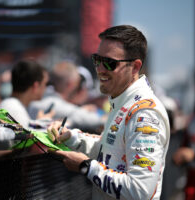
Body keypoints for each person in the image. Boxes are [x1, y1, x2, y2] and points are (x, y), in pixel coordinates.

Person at [47, 25, 170, 200]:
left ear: (135, 67)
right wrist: (72, 138)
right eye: (97, 59)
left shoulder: (144, 114)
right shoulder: (123, 101)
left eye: (109, 63)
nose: (100, 69)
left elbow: (140, 192)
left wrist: (86, 166)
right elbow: (110, 150)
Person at [29, 61, 105, 133]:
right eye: (77, 84)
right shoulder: (56, 105)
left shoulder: (35, 100)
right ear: (70, 84)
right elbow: (99, 121)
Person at [0, 60, 50, 129]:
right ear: (35, 86)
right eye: (45, 84)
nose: (46, 88)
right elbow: (24, 138)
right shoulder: (15, 110)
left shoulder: (12, 105)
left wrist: (38, 123)